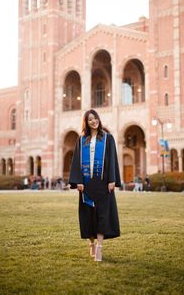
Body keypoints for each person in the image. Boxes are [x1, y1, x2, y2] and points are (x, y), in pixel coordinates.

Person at [69, 109, 121, 262]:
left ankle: (99, 247)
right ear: (86, 122)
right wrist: (78, 181)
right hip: (86, 184)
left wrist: (112, 179)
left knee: (102, 215)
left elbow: (112, 160)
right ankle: (91, 243)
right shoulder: (81, 140)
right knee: (88, 215)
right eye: (90, 119)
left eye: (95, 118)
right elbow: (76, 162)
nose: (94, 121)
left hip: (103, 183)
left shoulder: (107, 138)